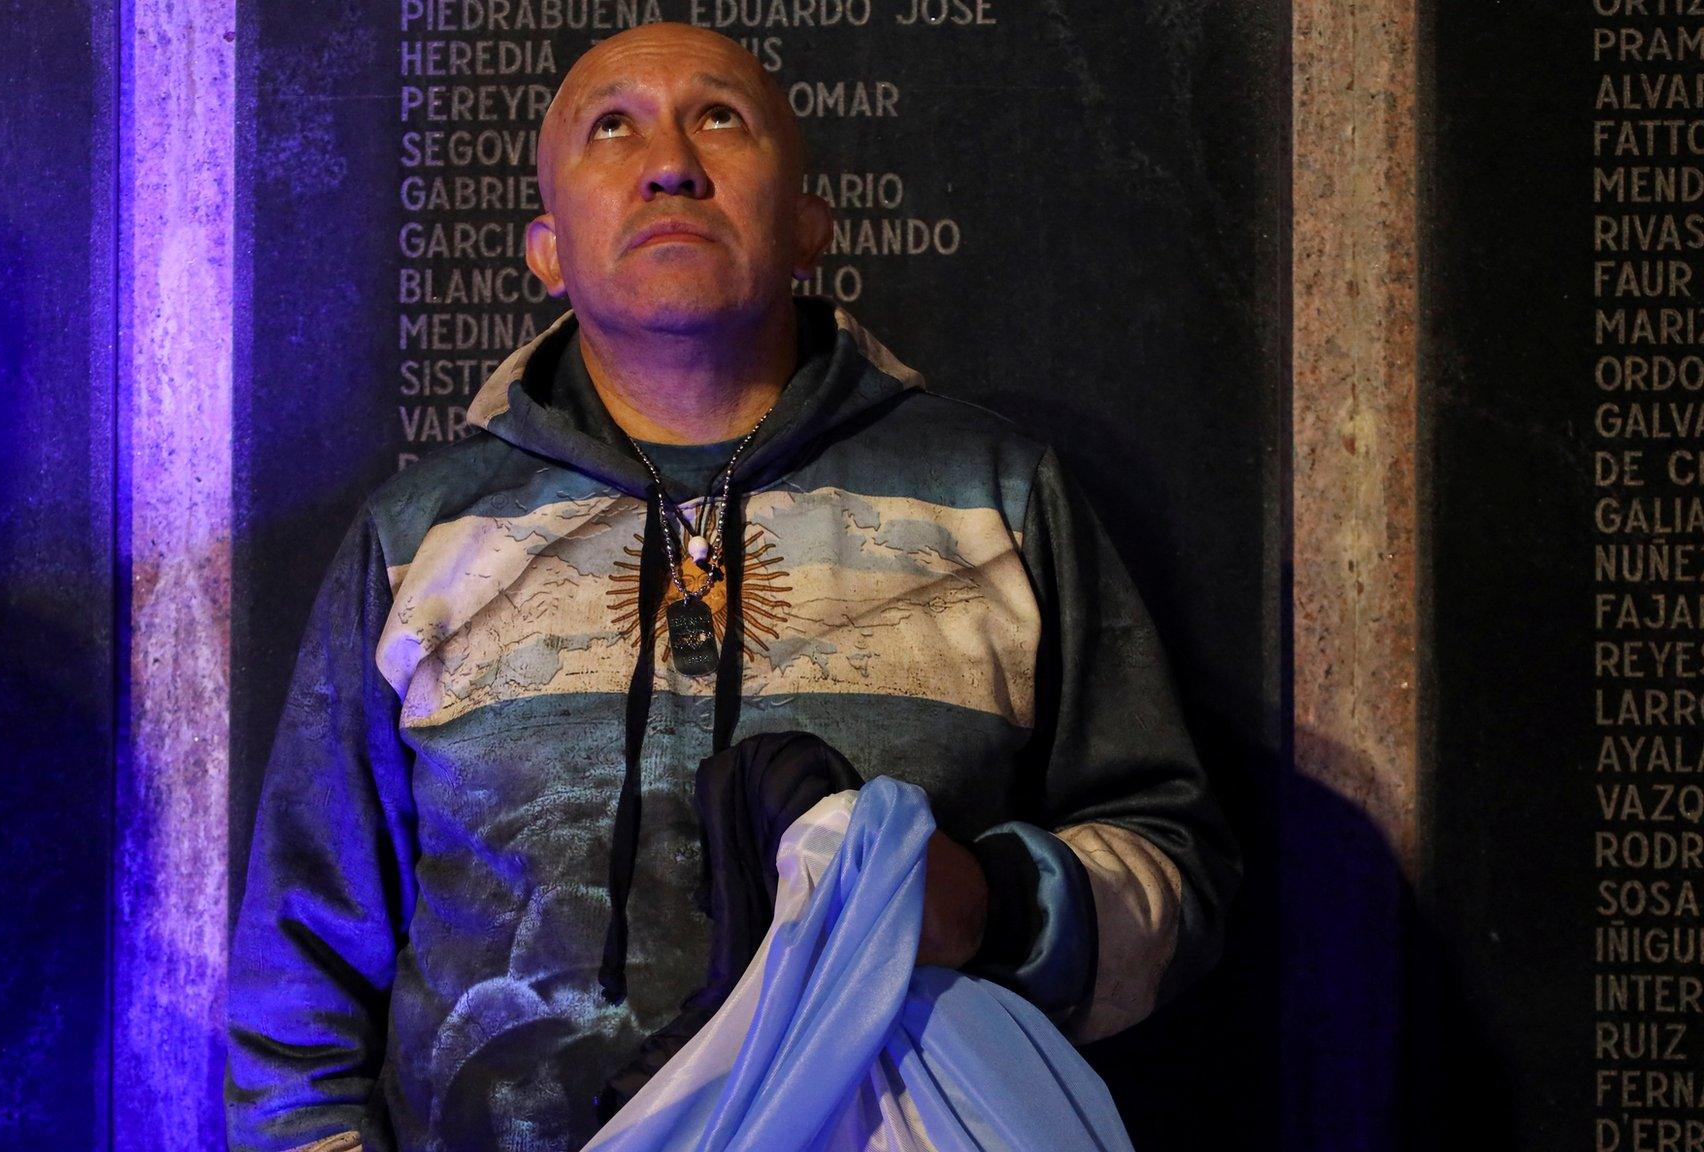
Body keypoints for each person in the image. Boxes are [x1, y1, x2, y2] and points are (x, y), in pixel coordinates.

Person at [227, 22, 1238, 1152]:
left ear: (808, 227)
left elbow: (1174, 873)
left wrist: (987, 905)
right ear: (547, 250)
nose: (669, 161)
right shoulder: (419, 538)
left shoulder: (994, 495)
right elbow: (297, 976)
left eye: (719, 117)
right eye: (612, 126)